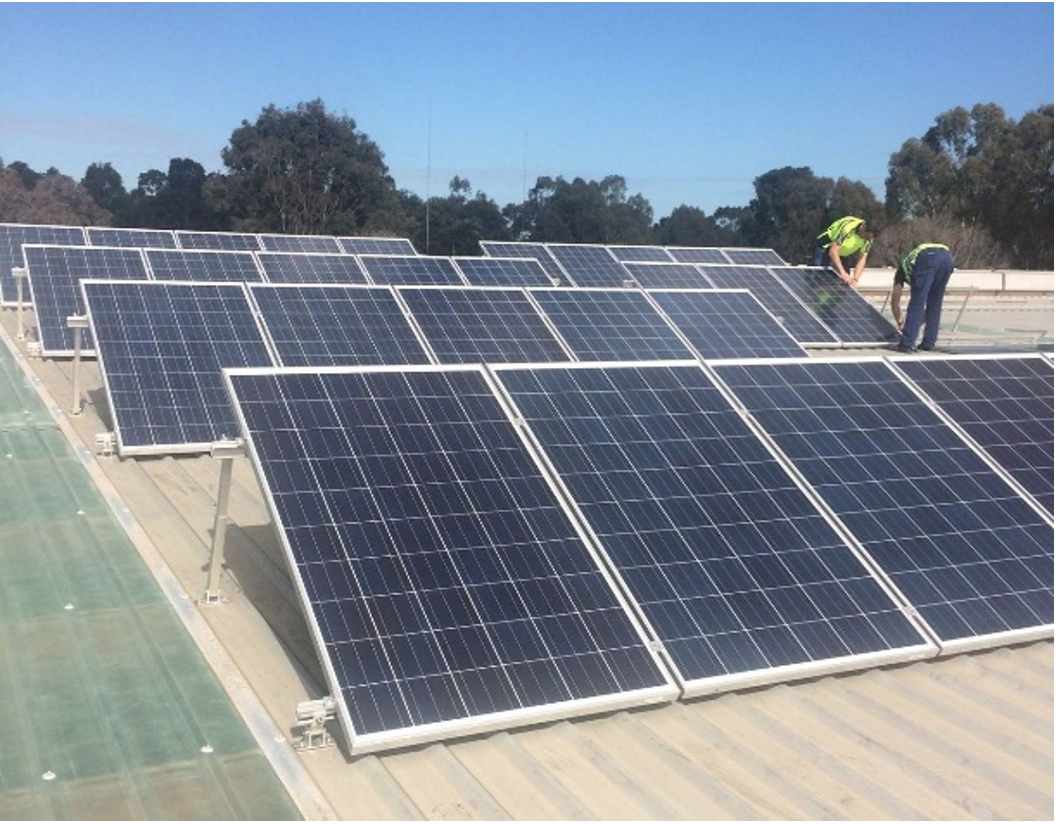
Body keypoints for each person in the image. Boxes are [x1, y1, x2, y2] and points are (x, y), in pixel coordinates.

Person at [890, 243, 955, 352]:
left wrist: (901, 323)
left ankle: (907, 343)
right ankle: (929, 343)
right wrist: (912, 324)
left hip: (928, 257)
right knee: (935, 303)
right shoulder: (911, 265)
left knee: (917, 302)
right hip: (947, 258)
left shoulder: (901, 272)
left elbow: (895, 301)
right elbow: (925, 312)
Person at [813, 215, 873, 286]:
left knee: (846, 283)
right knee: (820, 279)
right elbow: (833, 251)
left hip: (842, 254)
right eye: (866, 235)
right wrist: (843, 273)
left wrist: (855, 279)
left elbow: (862, 258)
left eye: (869, 237)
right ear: (863, 226)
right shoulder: (848, 228)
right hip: (825, 248)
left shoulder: (869, 239)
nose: (865, 238)